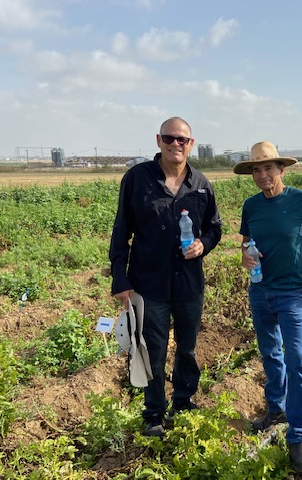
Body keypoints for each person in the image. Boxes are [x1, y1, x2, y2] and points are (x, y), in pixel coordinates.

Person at [109, 116, 222, 437]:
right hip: (149, 284)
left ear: (191, 144)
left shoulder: (200, 184)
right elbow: (121, 231)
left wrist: (204, 244)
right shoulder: (137, 179)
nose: (176, 144)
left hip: (188, 285)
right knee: (152, 350)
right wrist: (120, 279)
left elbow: (215, 227)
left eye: (182, 140)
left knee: (187, 348)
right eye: (170, 138)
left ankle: (183, 402)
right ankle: (155, 413)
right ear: (158, 140)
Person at [234, 141, 302, 473]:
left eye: (268, 168)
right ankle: (275, 409)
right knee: (270, 352)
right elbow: (245, 244)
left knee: (298, 359)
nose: (262, 175)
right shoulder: (251, 206)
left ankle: (298, 437)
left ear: (281, 170)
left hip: (292, 294)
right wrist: (245, 256)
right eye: (256, 169)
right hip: (260, 291)